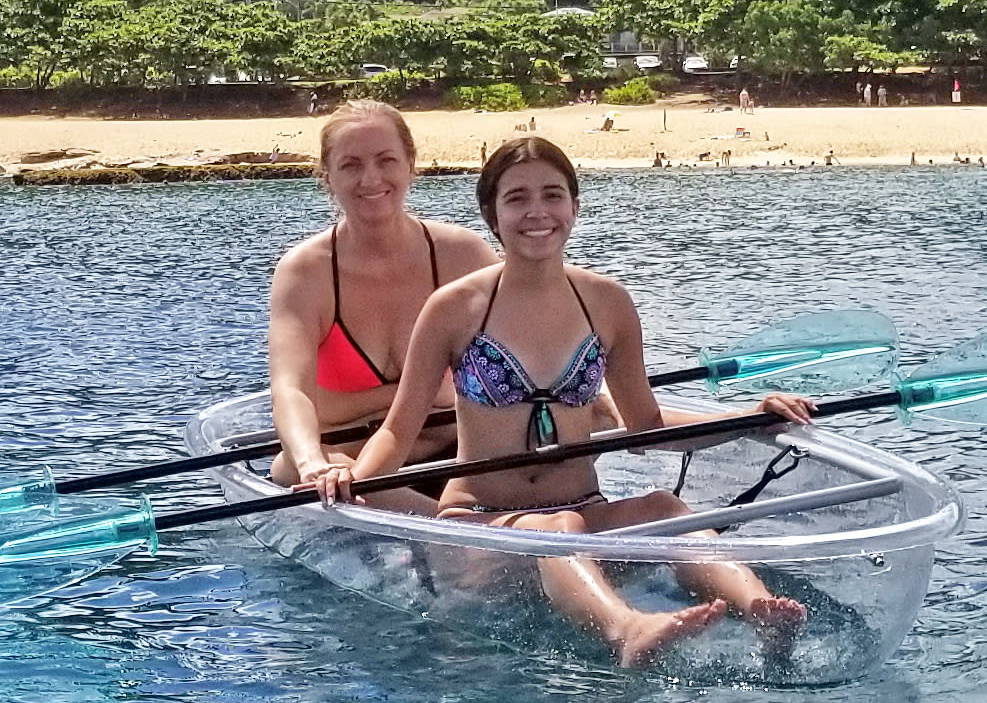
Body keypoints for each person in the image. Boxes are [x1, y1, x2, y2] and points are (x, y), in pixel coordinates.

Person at [343, 134, 810, 668]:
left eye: (552, 195)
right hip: (478, 528)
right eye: (517, 198)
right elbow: (398, 431)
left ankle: (761, 611)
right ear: (492, 214)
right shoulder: (454, 308)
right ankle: (627, 628)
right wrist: (351, 482)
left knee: (665, 508)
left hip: (584, 515)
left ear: (574, 207)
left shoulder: (607, 303)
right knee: (555, 529)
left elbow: (646, 425)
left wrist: (746, 418)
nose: (536, 213)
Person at [265, 98, 495, 501]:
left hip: (456, 456)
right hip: (349, 469)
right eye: (350, 165)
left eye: (386, 160)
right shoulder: (304, 272)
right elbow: (291, 391)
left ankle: (463, 533)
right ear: (327, 176)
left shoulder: (464, 256)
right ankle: (463, 533)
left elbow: (526, 365)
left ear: (410, 164)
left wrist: (343, 406)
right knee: (286, 466)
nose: (370, 179)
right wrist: (311, 464)